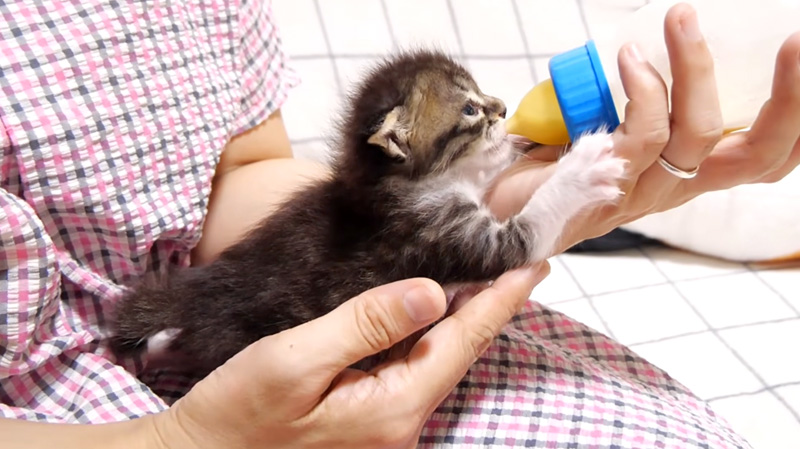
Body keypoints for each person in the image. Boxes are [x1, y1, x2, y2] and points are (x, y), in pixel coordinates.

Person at [1, 0, 797, 447]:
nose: (493, 114)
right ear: (397, 148)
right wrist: (183, 442)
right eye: (472, 116)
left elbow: (238, 180)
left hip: (248, 346)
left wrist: (502, 187)